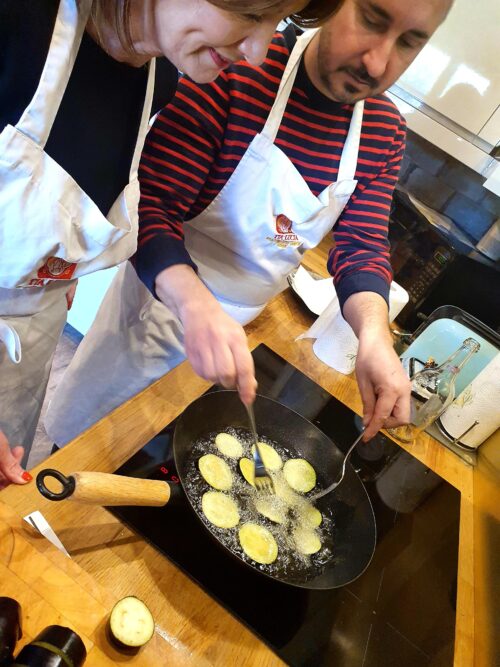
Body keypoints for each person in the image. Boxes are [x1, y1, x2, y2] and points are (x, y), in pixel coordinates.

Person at [45, 0, 454, 451]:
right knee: (86, 446)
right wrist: (198, 308)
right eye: (372, 21)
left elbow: (361, 245)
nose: (378, 62)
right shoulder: (235, 70)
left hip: (243, 330)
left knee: (163, 459)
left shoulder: (384, 130)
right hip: (162, 304)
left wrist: (374, 336)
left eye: (410, 42)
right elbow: (152, 207)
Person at [0, 0, 337, 489]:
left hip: (26, 342)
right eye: (251, 14)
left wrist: (54, 271)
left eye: (276, 23)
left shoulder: (158, 79)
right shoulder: (20, 22)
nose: (260, 51)